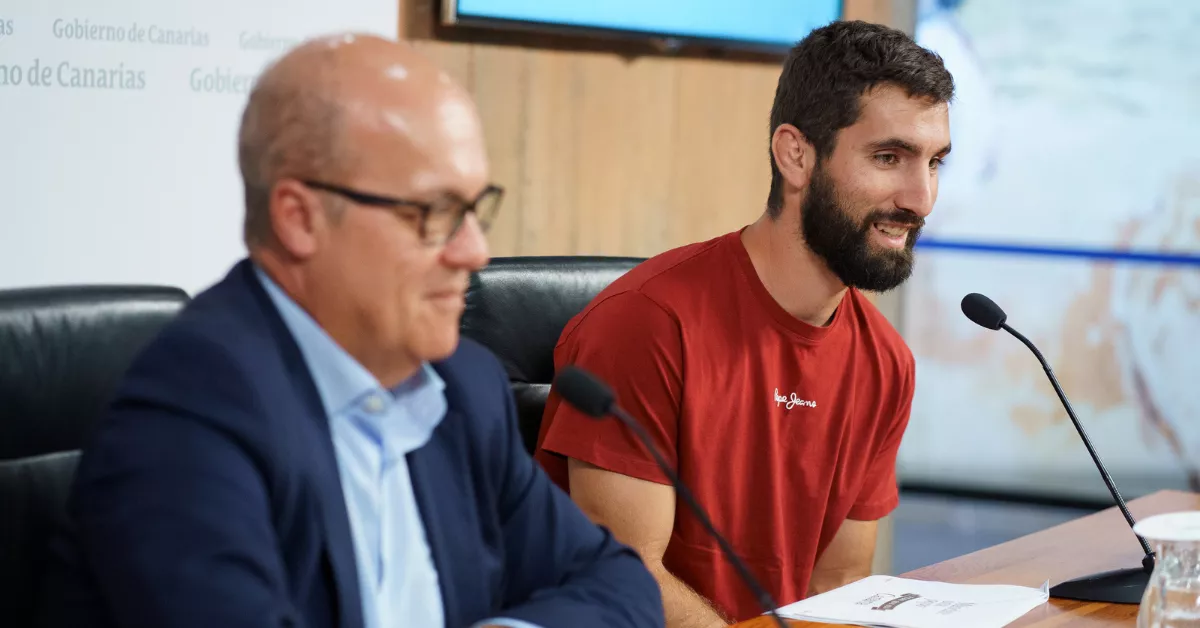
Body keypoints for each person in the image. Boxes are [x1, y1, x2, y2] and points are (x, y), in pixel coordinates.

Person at [39, 34, 662, 628]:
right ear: (300, 219)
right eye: (434, 213)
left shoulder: (463, 387)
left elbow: (617, 582)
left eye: (475, 208)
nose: (474, 250)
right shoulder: (188, 415)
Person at [533, 20, 954, 626]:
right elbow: (624, 579)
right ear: (796, 154)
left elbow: (836, 583)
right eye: (889, 157)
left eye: (935, 161)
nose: (921, 198)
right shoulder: (646, 324)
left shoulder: (885, 362)